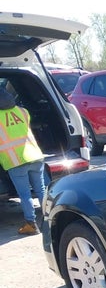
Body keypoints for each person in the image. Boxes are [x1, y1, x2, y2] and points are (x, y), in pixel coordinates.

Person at [0, 88, 47, 235]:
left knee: (25, 195)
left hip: (16, 160)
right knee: (41, 190)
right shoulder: (23, 111)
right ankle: (50, 219)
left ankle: (31, 224)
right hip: (35, 155)